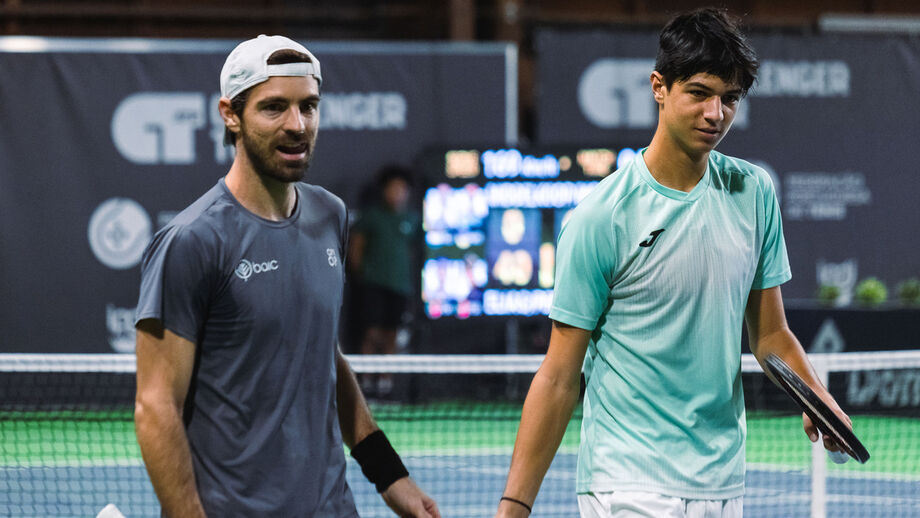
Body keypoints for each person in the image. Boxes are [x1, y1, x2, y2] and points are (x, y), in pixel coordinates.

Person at [495, 8, 851, 518]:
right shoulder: (601, 217)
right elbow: (558, 377)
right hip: (627, 483)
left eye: (730, 98)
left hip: (723, 484)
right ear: (659, 87)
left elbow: (771, 336)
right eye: (700, 93)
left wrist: (815, 394)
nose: (716, 114)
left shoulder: (753, 193)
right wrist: (513, 506)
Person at [133, 35, 440, 518]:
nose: (298, 125)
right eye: (274, 107)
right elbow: (156, 407)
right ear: (231, 115)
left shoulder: (330, 214)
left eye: (308, 106)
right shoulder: (191, 241)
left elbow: (322, 355)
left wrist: (389, 474)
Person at [347, 165, 420, 396]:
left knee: (392, 335)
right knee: (371, 333)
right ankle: (366, 383)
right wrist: (364, 275)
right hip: (373, 286)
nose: (398, 193)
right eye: (393, 188)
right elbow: (356, 249)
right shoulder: (371, 217)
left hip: (400, 288)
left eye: (402, 189)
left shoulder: (412, 219)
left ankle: (386, 385)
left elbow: (413, 252)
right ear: (384, 190)